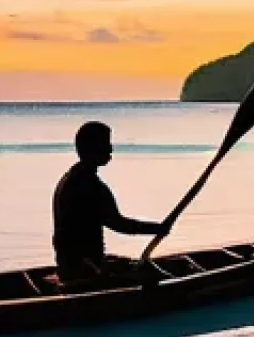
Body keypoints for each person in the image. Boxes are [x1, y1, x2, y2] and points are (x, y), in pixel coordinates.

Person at [52, 121, 170, 284]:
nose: (111, 149)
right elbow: (118, 223)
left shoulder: (70, 178)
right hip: (85, 269)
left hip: (72, 264)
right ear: (92, 149)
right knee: (155, 277)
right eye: (106, 144)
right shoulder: (88, 185)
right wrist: (157, 228)